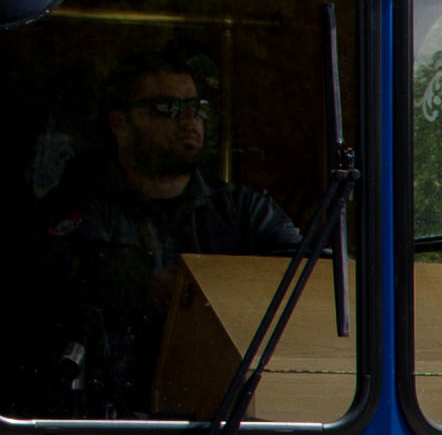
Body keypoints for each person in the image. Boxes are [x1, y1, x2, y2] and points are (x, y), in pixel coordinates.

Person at [17, 46, 313, 415]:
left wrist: (211, 287)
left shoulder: (243, 211)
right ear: (119, 122)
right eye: (166, 109)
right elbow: (62, 283)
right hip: (102, 422)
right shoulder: (77, 206)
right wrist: (145, 285)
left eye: (194, 108)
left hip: (217, 423)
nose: (188, 121)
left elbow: (307, 276)